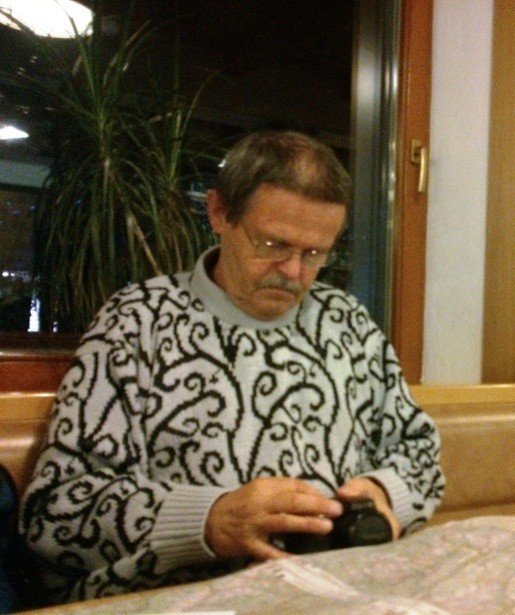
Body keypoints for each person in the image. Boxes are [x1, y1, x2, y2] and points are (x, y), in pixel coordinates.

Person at [19, 131, 445, 603]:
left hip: (343, 593)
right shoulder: (140, 322)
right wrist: (209, 519)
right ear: (219, 213)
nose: (294, 272)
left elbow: (420, 453)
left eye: (315, 254)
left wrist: (384, 494)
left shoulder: (347, 321)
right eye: (273, 244)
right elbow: (56, 510)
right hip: (193, 597)